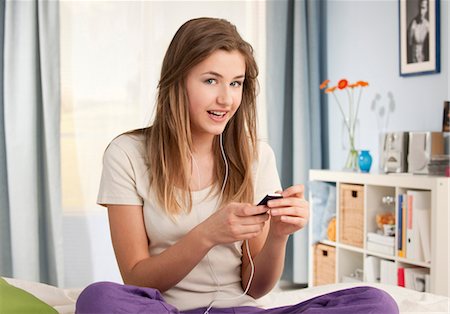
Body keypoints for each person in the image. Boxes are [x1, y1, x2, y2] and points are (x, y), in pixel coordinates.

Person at [76, 17, 399, 314]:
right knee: (98, 298)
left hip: (241, 309)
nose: (227, 100)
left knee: (377, 303)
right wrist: (207, 235)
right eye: (211, 81)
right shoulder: (127, 154)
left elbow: (254, 288)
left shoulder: (257, 157)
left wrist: (279, 236)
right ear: (178, 81)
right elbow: (137, 278)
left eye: (236, 83)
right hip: (166, 310)